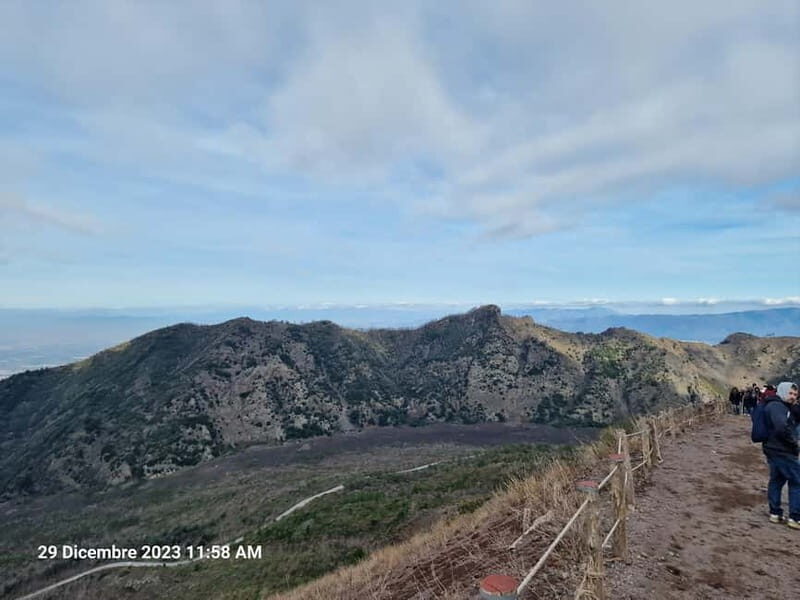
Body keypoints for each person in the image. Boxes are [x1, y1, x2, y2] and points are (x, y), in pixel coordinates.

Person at [763, 381, 800, 527]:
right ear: (782, 391)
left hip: (773, 449)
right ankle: (795, 517)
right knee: (797, 482)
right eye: (790, 393)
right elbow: (781, 428)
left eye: (795, 394)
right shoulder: (778, 407)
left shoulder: (777, 406)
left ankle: (775, 513)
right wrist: (795, 444)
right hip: (783, 450)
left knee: (777, 480)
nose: (792, 397)